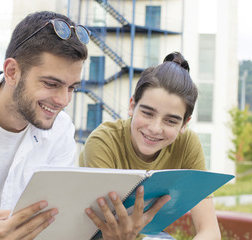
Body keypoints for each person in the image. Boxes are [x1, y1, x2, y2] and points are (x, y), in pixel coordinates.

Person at [0, 11, 169, 240]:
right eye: (51, 84)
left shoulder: (61, 131)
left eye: (72, 88)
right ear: (12, 72)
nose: (63, 100)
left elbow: (58, 232)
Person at [80, 53, 221, 240]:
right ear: (132, 106)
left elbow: (210, 231)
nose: (155, 129)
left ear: (184, 124)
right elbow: (105, 231)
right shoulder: (103, 142)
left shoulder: (187, 143)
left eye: (170, 121)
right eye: (147, 113)